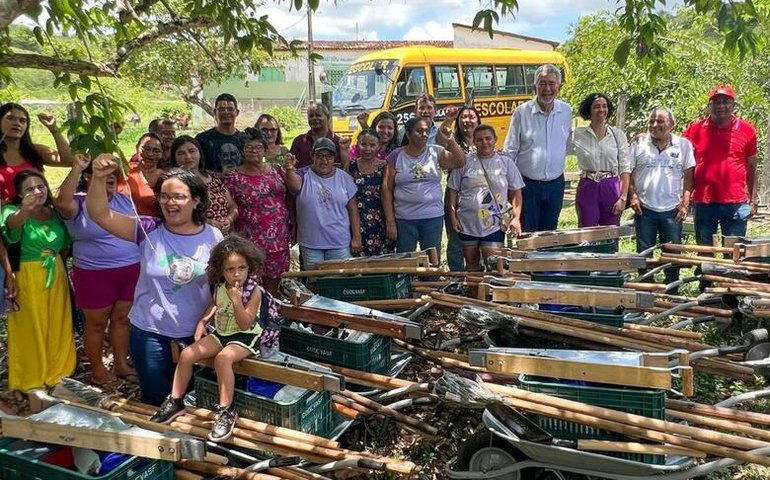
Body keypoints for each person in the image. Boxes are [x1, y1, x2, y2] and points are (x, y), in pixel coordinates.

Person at [87, 160, 224, 405]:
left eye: (179, 197)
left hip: (196, 335)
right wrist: (98, 176)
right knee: (156, 399)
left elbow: (222, 288)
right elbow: (99, 214)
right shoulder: (147, 229)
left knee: (193, 400)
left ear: (196, 201)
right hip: (150, 334)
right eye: (164, 196)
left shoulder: (213, 237)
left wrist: (207, 319)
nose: (170, 203)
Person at [149, 234, 280, 442]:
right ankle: (175, 401)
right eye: (230, 269)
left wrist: (237, 302)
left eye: (241, 268)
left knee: (223, 358)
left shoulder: (254, 292)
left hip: (246, 336)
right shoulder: (220, 286)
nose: (236, 274)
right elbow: (215, 304)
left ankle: (226, 411)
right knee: (187, 354)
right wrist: (203, 321)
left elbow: (246, 323)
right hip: (223, 332)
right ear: (221, 270)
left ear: (250, 267)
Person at [54, 155, 140, 386]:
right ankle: (98, 369)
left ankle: (121, 363)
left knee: (122, 319)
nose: (109, 178)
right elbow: (61, 203)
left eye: (113, 175)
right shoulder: (79, 202)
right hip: (94, 274)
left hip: (130, 269)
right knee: (97, 324)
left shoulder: (124, 200)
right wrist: (77, 167)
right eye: (103, 174)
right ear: (89, 178)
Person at [2, 170, 76, 392]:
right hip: (28, 273)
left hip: (56, 272)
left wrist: (57, 263)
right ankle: (31, 377)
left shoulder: (54, 213)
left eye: (40, 186)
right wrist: (25, 210)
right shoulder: (11, 211)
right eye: (30, 189)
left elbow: (65, 244)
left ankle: (59, 372)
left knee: (58, 321)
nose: (37, 192)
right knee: (30, 324)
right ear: (20, 194)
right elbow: (12, 227)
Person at [682, 84, 758, 245]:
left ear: (733, 105)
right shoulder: (695, 130)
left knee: (734, 250)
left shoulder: (747, 130)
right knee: (705, 249)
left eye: (725, 101)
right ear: (709, 106)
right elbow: (673, 146)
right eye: (716, 102)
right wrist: (645, 136)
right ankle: (705, 271)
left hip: (735, 203)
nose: (720, 106)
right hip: (704, 201)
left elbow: (752, 167)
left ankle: (729, 270)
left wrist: (753, 200)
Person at [382, 117, 466, 261]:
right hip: (404, 219)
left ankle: (431, 282)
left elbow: (460, 161)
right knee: (405, 261)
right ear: (408, 134)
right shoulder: (396, 156)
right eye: (419, 131)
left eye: (427, 131)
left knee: (432, 260)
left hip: (432, 217)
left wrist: (450, 140)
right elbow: (386, 189)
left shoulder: (436, 152)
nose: (424, 134)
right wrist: (390, 221)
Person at [629, 107, 695, 288]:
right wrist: (633, 196)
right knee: (644, 252)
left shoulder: (683, 145)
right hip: (645, 208)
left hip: (672, 209)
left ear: (672, 125)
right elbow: (629, 173)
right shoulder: (638, 144)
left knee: (673, 252)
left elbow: (689, 176)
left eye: (660, 121)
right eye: (651, 121)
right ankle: (646, 288)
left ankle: (671, 288)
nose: (654, 125)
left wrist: (685, 204)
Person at [502, 64, 572, 232]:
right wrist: (508, 185)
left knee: (549, 236)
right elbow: (510, 150)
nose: (547, 88)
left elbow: (568, 142)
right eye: (542, 83)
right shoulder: (522, 112)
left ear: (559, 87)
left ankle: (547, 259)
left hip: (555, 185)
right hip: (527, 186)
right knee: (527, 235)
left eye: (551, 83)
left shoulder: (566, 111)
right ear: (535, 86)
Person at [448, 125, 524, 270]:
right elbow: (453, 189)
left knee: (494, 264)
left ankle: (492, 292)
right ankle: (473, 292)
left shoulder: (505, 163)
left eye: (488, 138)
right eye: (480, 140)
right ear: (474, 142)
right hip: (467, 222)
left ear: (495, 139)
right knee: (471, 262)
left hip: (494, 224)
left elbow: (516, 191)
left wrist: (516, 217)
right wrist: (453, 216)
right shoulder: (464, 162)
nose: (484, 143)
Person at [224, 128, 290, 295]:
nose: (254, 151)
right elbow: (230, 207)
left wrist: (294, 225)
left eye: (258, 147)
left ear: (265, 149)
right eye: (249, 147)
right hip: (249, 241)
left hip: (278, 240)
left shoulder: (277, 170)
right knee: (250, 286)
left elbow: (288, 198)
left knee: (274, 284)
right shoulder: (233, 177)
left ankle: (272, 316)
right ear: (242, 150)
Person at [285, 138, 361, 269]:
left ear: (334, 158)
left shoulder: (344, 178)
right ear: (312, 156)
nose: (324, 160)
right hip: (311, 243)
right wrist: (290, 169)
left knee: (338, 279)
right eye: (319, 156)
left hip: (339, 241)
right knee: (313, 281)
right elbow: (294, 187)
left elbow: (353, 209)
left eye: (328, 157)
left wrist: (356, 237)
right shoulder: (303, 174)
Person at [571, 93, 630, 228]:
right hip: (588, 185)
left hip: (610, 186)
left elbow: (625, 168)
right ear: (589, 110)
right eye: (596, 107)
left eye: (604, 106)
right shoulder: (578, 135)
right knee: (587, 229)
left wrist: (623, 197)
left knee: (610, 230)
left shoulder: (617, 135)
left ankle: (611, 250)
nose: (601, 110)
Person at [0, 103, 74, 202]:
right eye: (10, 118)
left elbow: (69, 161)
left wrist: (54, 129)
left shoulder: (35, 150)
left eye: (22, 121)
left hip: (42, 213)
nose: (17, 123)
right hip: (9, 215)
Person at [438, 105, 481, 272]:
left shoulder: (483, 141)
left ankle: (477, 273)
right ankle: (456, 277)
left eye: (471, 117)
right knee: (456, 239)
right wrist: (448, 120)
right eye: (463, 117)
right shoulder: (451, 141)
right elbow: (440, 139)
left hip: (479, 199)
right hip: (455, 196)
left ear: (478, 121)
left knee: (479, 237)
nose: (467, 121)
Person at [171, 135, 237, 235]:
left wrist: (229, 219)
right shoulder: (175, 183)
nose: (188, 157)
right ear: (174, 157)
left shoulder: (213, 177)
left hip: (222, 236)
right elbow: (176, 211)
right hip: (195, 237)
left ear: (200, 153)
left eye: (192, 151)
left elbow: (232, 205)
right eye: (181, 153)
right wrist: (208, 222)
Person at [347, 129, 392, 256]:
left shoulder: (384, 166)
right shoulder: (350, 166)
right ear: (357, 145)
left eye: (372, 145)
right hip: (357, 223)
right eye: (364, 144)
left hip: (381, 224)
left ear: (379, 146)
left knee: (382, 264)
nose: (368, 148)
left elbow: (388, 193)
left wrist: (390, 223)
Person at [289, 103, 350, 169]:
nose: (314, 118)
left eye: (318, 115)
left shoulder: (338, 141)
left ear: (328, 117)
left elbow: (346, 167)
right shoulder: (299, 141)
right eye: (311, 116)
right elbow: (291, 167)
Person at [196, 93, 244, 173]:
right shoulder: (202, 139)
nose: (226, 112)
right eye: (221, 109)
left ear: (237, 112)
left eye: (230, 109)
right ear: (215, 112)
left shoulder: (244, 139)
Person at [127, 132, 164, 216]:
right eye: (146, 149)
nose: (150, 154)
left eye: (156, 151)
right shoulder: (125, 171)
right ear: (137, 148)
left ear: (161, 154)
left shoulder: (166, 177)